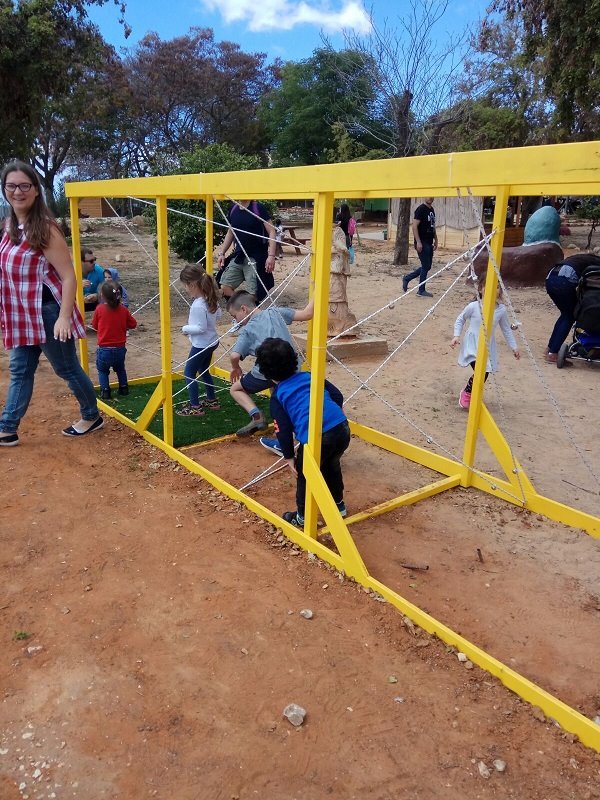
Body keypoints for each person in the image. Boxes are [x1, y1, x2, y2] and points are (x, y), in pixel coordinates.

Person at [0, 160, 103, 445]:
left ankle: (91, 415)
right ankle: (7, 427)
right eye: (11, 186)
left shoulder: (45, 229)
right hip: (21, 313)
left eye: (24, 186)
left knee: (66, 367)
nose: (17, 192)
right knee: (20, 369)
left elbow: (69, 276)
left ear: (35, 191)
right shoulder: (10, 225)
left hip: (47, 312)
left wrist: (63, 317)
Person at [255, 337, 350, 527]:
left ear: (266, 373)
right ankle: (339, 506)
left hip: (318, 439)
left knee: (305, 476)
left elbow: (282, 431)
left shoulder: (278, 395)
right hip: (342, 429)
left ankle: (303, 517)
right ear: (294, 360)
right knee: (332, 466)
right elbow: (337, 395)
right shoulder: (311, 376)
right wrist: (336, 411)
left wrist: (289, 457)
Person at [227, 289, 314, 437]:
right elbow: (307, 314)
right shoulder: (275, 312)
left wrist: (236, 368)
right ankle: (283, 428)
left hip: (267, 372)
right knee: (277, 391)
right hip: (291, 367)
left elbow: (234, 355)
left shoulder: (247, 330)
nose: (236, 321)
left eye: (235, 316)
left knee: (235, 389)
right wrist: (319, 290)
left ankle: (257, 416)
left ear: (244, 309)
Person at [451, 278, 520, 410]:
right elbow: (461, 319)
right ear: (481, 288)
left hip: (487, 346)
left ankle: (472, 393)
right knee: (480, 371)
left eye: (497, 287)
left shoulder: (501, 310)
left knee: (485, 372)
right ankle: (467, 392)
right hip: (472, 344)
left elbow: (506, 329)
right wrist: (456, 336)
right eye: (488, 286)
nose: (494, 289)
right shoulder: (474, 306)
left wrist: (514, 347)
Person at [177, 265, 222, 416]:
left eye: (185, 285)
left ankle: (195, 407)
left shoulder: (198, 305)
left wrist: (185, 328)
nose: (185, 289)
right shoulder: (211, 298)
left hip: (201, 344)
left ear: (192, 284)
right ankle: (212, 400)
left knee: (189, 373)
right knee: (204, 370)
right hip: (212, 342)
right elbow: (219, 314)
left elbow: (200, 328)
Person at [217, 200, 277, 303]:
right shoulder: (233, 209)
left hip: (256, 257)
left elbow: (271, 231)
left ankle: (248, 313)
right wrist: (222, 253)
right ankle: (243, 306)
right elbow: (231, 232)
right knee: (225, 286)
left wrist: (271, 255)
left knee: (253, 293)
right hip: (239, 255)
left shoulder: (258, 208)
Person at [544, 253, 600, 363]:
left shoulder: (586, 258)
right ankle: (553, 353)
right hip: (564, 279)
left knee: (565, 314)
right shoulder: (596, 263)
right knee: (570, 316)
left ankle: (550, 348)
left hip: (550, 277)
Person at [91, 280, 137, 399]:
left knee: (103, 371)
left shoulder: (99, 309)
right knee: (120, 369)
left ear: (102, 295)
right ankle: (123, 388)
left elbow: (94, 325)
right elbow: (133, 324)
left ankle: (105, 391)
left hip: (104, 349)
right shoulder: (123, 310)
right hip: (120, 349)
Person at [403, 197, 438, 297]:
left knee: (427, 266)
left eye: (432, 196)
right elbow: (414, 226)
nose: (430, 197)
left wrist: (436, 239)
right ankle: (421, 290)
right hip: (422, 242)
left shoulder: (431, 210)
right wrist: (418, 242)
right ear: (424, 197)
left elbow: (432, 226)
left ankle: (407, 278)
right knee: (426, 265)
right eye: (428, 195)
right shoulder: (420, 209)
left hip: (429, 241)